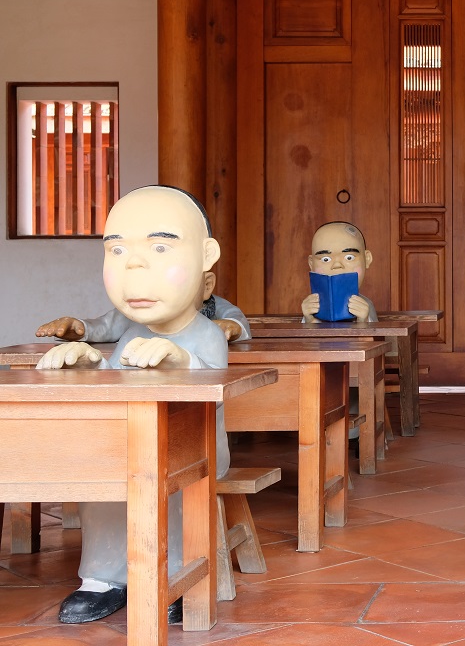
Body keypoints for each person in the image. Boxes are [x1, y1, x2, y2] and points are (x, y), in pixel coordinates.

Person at [35, 185, 228, 625]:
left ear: (207, 256)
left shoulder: (207, 333)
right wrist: (91, 364)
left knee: (167, 476)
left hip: (194, 447)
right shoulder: (129, 334)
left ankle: (179, 572)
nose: (134, 265)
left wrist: (182, 362)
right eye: (117, 250)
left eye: (159, 248)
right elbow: (120, 384)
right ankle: (103, 576)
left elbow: (213, 387)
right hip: (131, 444)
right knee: (102, 473)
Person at [36, 271, 250, 343]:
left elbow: (237, 320)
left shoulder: (216, 307)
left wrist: (231, 327)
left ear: (207, 285)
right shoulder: (142, 311)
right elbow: (107, 325)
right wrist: (81, 329)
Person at [301, 221, 377, 323]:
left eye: (349, 257)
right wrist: (310, 320)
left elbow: (375, 332)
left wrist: (364, 320)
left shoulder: (366, 305)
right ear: (311, 264)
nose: (337, 265)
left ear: (367, 259)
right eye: (325, 259)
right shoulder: (314, 305)